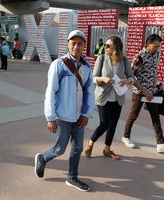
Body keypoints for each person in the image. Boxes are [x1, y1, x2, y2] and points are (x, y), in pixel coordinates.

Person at [34, 30, 95, 192]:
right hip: (62, 116)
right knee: (60, 149)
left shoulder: (87, 67)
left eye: (79, 43)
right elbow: (50, 92)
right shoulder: (59, 64)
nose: (76, 46)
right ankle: (42, 158)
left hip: (79, 117)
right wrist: (50, 117)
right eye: (73, 43)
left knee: (78, 148)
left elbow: (90, 92)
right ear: (68, 44)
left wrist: (86, 114)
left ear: (84, 46)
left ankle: (72, 177)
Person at [121, 34, 164, 153]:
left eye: (158, 46)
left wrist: (158, 83)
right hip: (140, 92)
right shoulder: (140, 57)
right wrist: (145, 92)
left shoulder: (155, 55)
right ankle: (125, 137)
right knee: (133, 115)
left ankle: (161, 144)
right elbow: (132, 77)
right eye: (155, 46)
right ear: (147, 44)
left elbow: (153, 72)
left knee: (156, 117)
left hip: (152, 91)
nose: (157, 49)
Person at [84, 36, 136, 161]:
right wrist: (103, 79)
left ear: (116, 47)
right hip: (104, 96)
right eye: (105, 45)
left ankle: (107, 149)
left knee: (113, 124)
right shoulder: (101, 58)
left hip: (118, 97)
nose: (105, 47)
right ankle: (91, 142)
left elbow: (132, 76)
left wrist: (127, 80)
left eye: (108, 45)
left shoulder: (124, 60)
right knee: (105, 123)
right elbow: (93, 77)